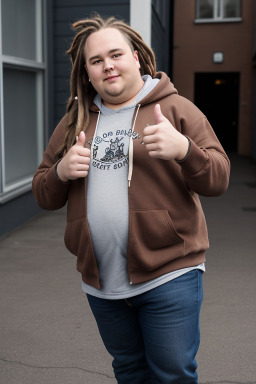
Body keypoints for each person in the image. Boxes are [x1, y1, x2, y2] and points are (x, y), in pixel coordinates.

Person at [32, 14, 230, 384]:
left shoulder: (175, 109)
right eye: (96, 60)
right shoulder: (73, 121)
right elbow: (43, 193)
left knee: (172, 374)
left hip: (170, 274)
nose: (107, 65)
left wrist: (185, 149)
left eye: (116, 54)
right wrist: (60, 172)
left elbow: (218, 178)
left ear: (136, 57)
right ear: (87, 72)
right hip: (101, 282)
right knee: (128, 371)